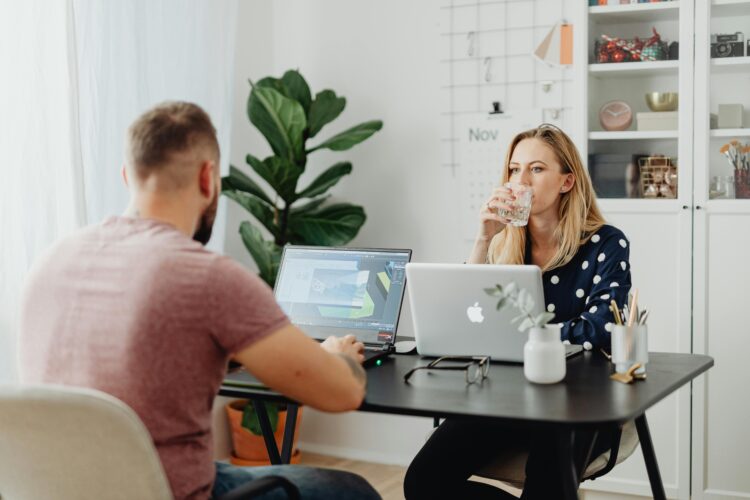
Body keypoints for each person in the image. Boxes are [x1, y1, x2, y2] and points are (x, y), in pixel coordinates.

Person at [19, 102, 381, 500]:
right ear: (208, 178)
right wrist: (336, 356)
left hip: (61, 489)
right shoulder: (205, 275)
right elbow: (343, 393)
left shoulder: (51, 260)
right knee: (351, 490)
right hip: (164, 492)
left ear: (128, 177)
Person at [403, 124, 632, 499]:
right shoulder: (504, 244)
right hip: (507, 396)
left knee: (546, 486)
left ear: (567, 182)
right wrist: (483, 238)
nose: (520, 180)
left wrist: (525, 338)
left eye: (536, 169)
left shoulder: (606, 242)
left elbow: (601, 329)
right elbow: (464, 317)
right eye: (514, 169)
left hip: (579, 401)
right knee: (424, 481)